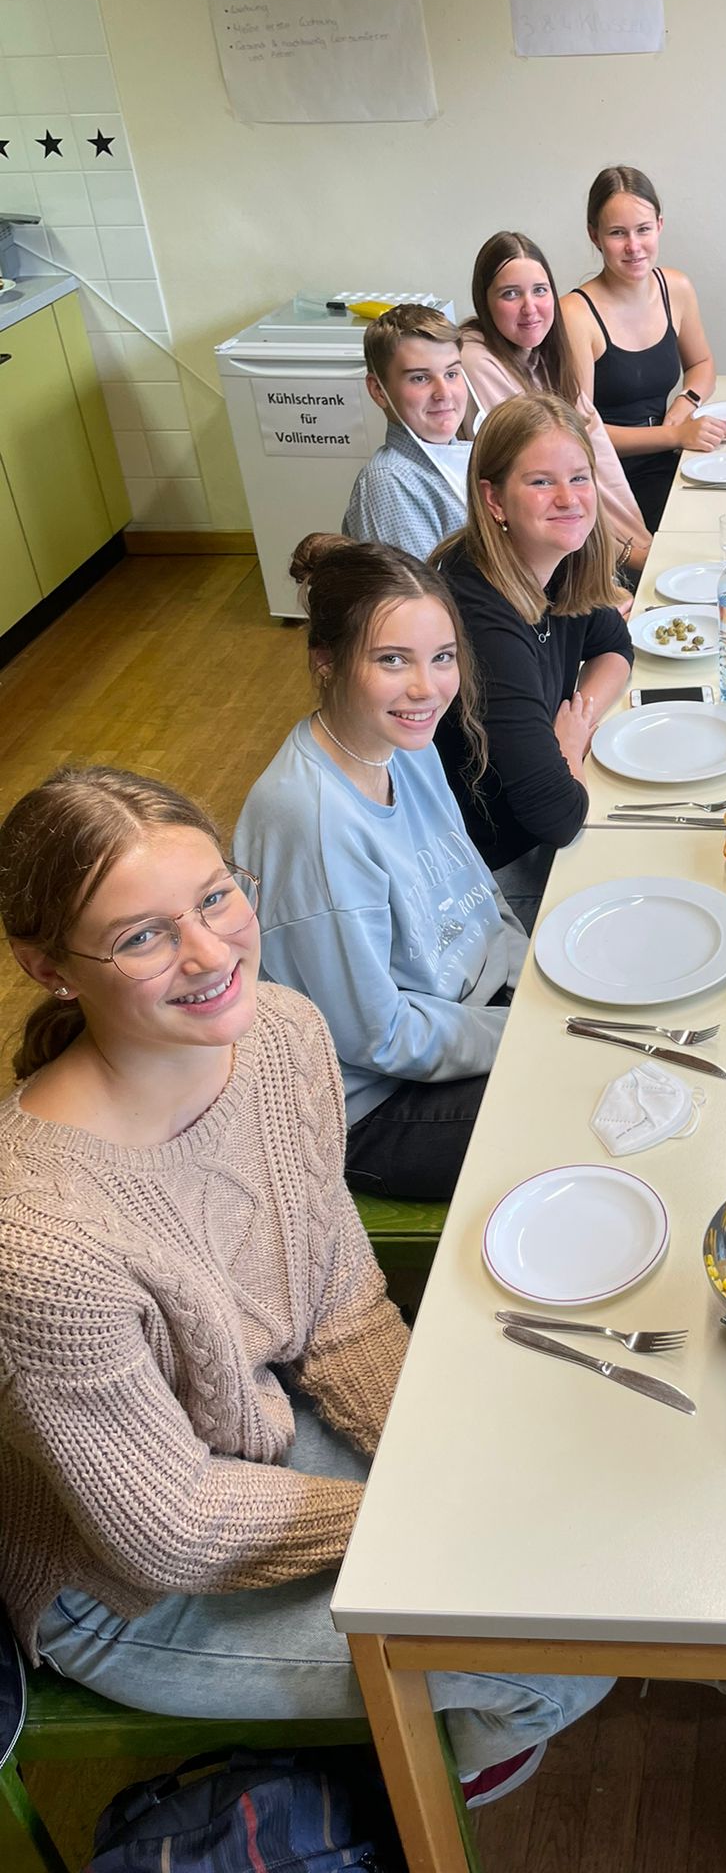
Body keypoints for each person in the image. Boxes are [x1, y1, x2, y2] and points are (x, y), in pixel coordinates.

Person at [0, 767, 610, 1808]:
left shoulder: (280, 1032)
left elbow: (339, 1304)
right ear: (48, 966)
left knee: (569, 1512)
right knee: (557, 1648)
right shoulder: (39, 1240)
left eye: (216, 897)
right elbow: (169, 1523)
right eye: (142, 936)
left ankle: (413, 1709)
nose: (210, 953)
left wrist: (440, 1462)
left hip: (261, 1427)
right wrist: (415, 1513)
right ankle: (390, 1779)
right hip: (127, 1583)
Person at [234, 536, 521, 1204]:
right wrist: (526, 1031)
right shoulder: (310, 819)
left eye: (442, 658)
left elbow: (480, 896)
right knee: (583, 1110)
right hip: (375, 1106)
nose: (427, 688)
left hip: (458, 1020)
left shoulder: (402, 740)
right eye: (393, 660)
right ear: (326, 661)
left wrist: (534, 979)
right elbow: (377, 1036)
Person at [433, 393, 633, 925]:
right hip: (498, 875)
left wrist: (577, 716)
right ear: (494, 499)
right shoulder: (479, 613)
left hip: (548, 816)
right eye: (541, 481)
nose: (569, 499)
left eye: (580, 477)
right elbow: (558, 817)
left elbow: (616, 647)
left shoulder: (559, 557)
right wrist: (566, 745)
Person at [458, 230, 651, 577]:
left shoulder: (543, 357)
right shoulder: (475, 360)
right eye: (510, 294)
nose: (530, 308)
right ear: (483, 301)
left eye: (540, 291)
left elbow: (598, 457)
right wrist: (628, 556)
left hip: (592, 543)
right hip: (540, 557)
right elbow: (550, 484)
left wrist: (641, 541)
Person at [562, 165, 725, 530]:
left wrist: (687, 403)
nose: (634, 246)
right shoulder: (575, 313)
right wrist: (673, 435)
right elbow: (580, 431)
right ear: (595, 236)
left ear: (660, 225)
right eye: (618, 233)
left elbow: (702, 363)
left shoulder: (676, 287)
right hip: (606, 475)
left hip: (666, 457)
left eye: (643, 230)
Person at [342, 304, 473, 558]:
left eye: (451, 373)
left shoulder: (465, 455)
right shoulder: (389, 481)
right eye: (419, 378)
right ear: (378, 391)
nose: (443, 393)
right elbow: (417, 594)